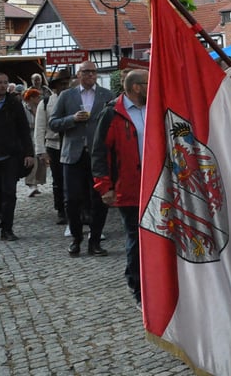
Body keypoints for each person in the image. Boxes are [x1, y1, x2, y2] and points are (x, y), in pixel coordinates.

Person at [91, 68, 147, 306]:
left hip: (157, 185)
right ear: (136, 87)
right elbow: (99, 153)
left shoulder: (155, 108)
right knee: (136, 236)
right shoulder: (112, 113)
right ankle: (137, 286)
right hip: (128, 187)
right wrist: (104, 187)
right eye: (148, 83)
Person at [49, 60, 115, 257]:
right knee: (72, 200)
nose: (90, 75)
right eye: (86, 72)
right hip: (73, 155)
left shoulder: (107, 95)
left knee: (99, 199)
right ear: (78, 75)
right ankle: (76, 238)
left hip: (98, 156)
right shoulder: (66, 96)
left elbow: (115, 123)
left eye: (93, 72)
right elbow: (53, 123)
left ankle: (95, 241)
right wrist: (72, 119)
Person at [0, 72, 35, 240]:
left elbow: (24, 130)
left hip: (10, 156)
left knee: (9, 193)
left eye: (5, 82)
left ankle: (7, 229)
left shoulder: (14, 103)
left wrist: (29, 153)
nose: (2, 85)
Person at [35, 71, 72, 225]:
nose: (65, 87)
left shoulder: (74, 100)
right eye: (62, 84)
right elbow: (39, 128)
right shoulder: (45, 103)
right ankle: (61, 210)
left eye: (67, 83)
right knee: (58, 180)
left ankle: (78, 209)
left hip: (71, 144)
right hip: (54, 145)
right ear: (55, 86)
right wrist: (41, 151)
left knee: (75, 179)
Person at [22, 88, 48, 196]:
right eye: (37, 97)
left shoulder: (40, 107)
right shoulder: (24, 108)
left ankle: (36, 183)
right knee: (33, 160)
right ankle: (31, 184)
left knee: (41, 161)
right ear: (31, 98)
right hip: (30, 137)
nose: (39, 98)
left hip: (40, 136)